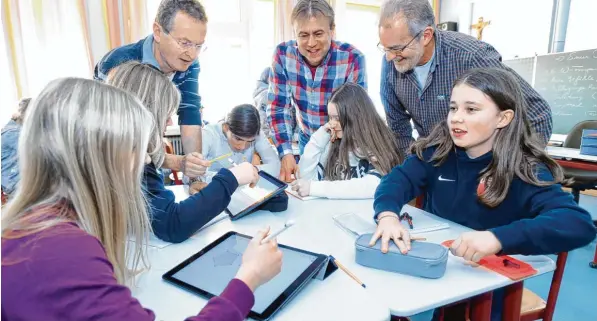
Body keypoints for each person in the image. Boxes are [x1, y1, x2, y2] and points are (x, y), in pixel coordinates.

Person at [1, 78, 283, 321]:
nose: (147, 159)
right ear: (101, 155)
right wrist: (249, 276)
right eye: (136, 146)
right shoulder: (64, 251)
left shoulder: (32, 228)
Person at [371, 68, 595, 321]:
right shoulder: (438, 152)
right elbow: (396, 180)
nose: (456, 118)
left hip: (488, 289)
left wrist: (497, 239)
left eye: (471, 109)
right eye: (453, 108)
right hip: (437, 274)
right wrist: (388, 215)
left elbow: (578, 224)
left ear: (503, 118)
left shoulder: (524, 168)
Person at [108, 61, 260, 243]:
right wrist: (231, 179)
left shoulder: (121, 149)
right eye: (164, 114)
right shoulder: (134, 160)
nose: (169, 123)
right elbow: (173, 225)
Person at [377, 0, 552, 155]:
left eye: (397, 48)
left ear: (426, 35)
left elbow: (538, 114)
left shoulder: (472, 56)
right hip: (434, 168)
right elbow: (398, 128)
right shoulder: (391, 63)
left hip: (477, 168)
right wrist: (413, 173)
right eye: (385, 48)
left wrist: (508, 170)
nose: (390, 57)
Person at [94, 0, 207, 171]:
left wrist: (195, 175)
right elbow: (111, 142)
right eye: (184, 43)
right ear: (158, 32)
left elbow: (189, 111)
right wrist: (178, 162)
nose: (192, 55)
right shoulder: (117, 63)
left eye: (198, 46)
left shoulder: (188, 63)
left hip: (148, 161)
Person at [267, 0, 367, 183]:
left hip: (341, 143)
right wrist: (286, 153)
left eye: (318, 33)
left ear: (332, 30)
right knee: (307, 193)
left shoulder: (353, 58)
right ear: (294, 33)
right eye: (303, 35)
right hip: (307, 139)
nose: (311, 43)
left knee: (335, 195)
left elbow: (356, 114)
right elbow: (278, 108)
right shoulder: (283, 54)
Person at [291, 83, 403, 199]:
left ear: (356, 117)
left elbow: (373, 185)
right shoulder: (332, 142)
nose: (332, 124)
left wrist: (315, 188)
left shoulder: (378, 144)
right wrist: (319, 138)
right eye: (330, 118)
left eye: (337, 118)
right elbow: (305, 179)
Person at [200, 104, 280, 188]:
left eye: (250, 141)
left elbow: (275, 166)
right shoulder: (208, 134)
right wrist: (233, 176)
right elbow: (191, 176)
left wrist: (255, 170)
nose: (242, 147)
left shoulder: (256, 133)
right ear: (226, 127)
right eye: (238, 139)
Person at [1, 98, 31, 196]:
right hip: (15, 184)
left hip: (16, 182)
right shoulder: (13, 133)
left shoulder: (16, 130)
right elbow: (36, 150)